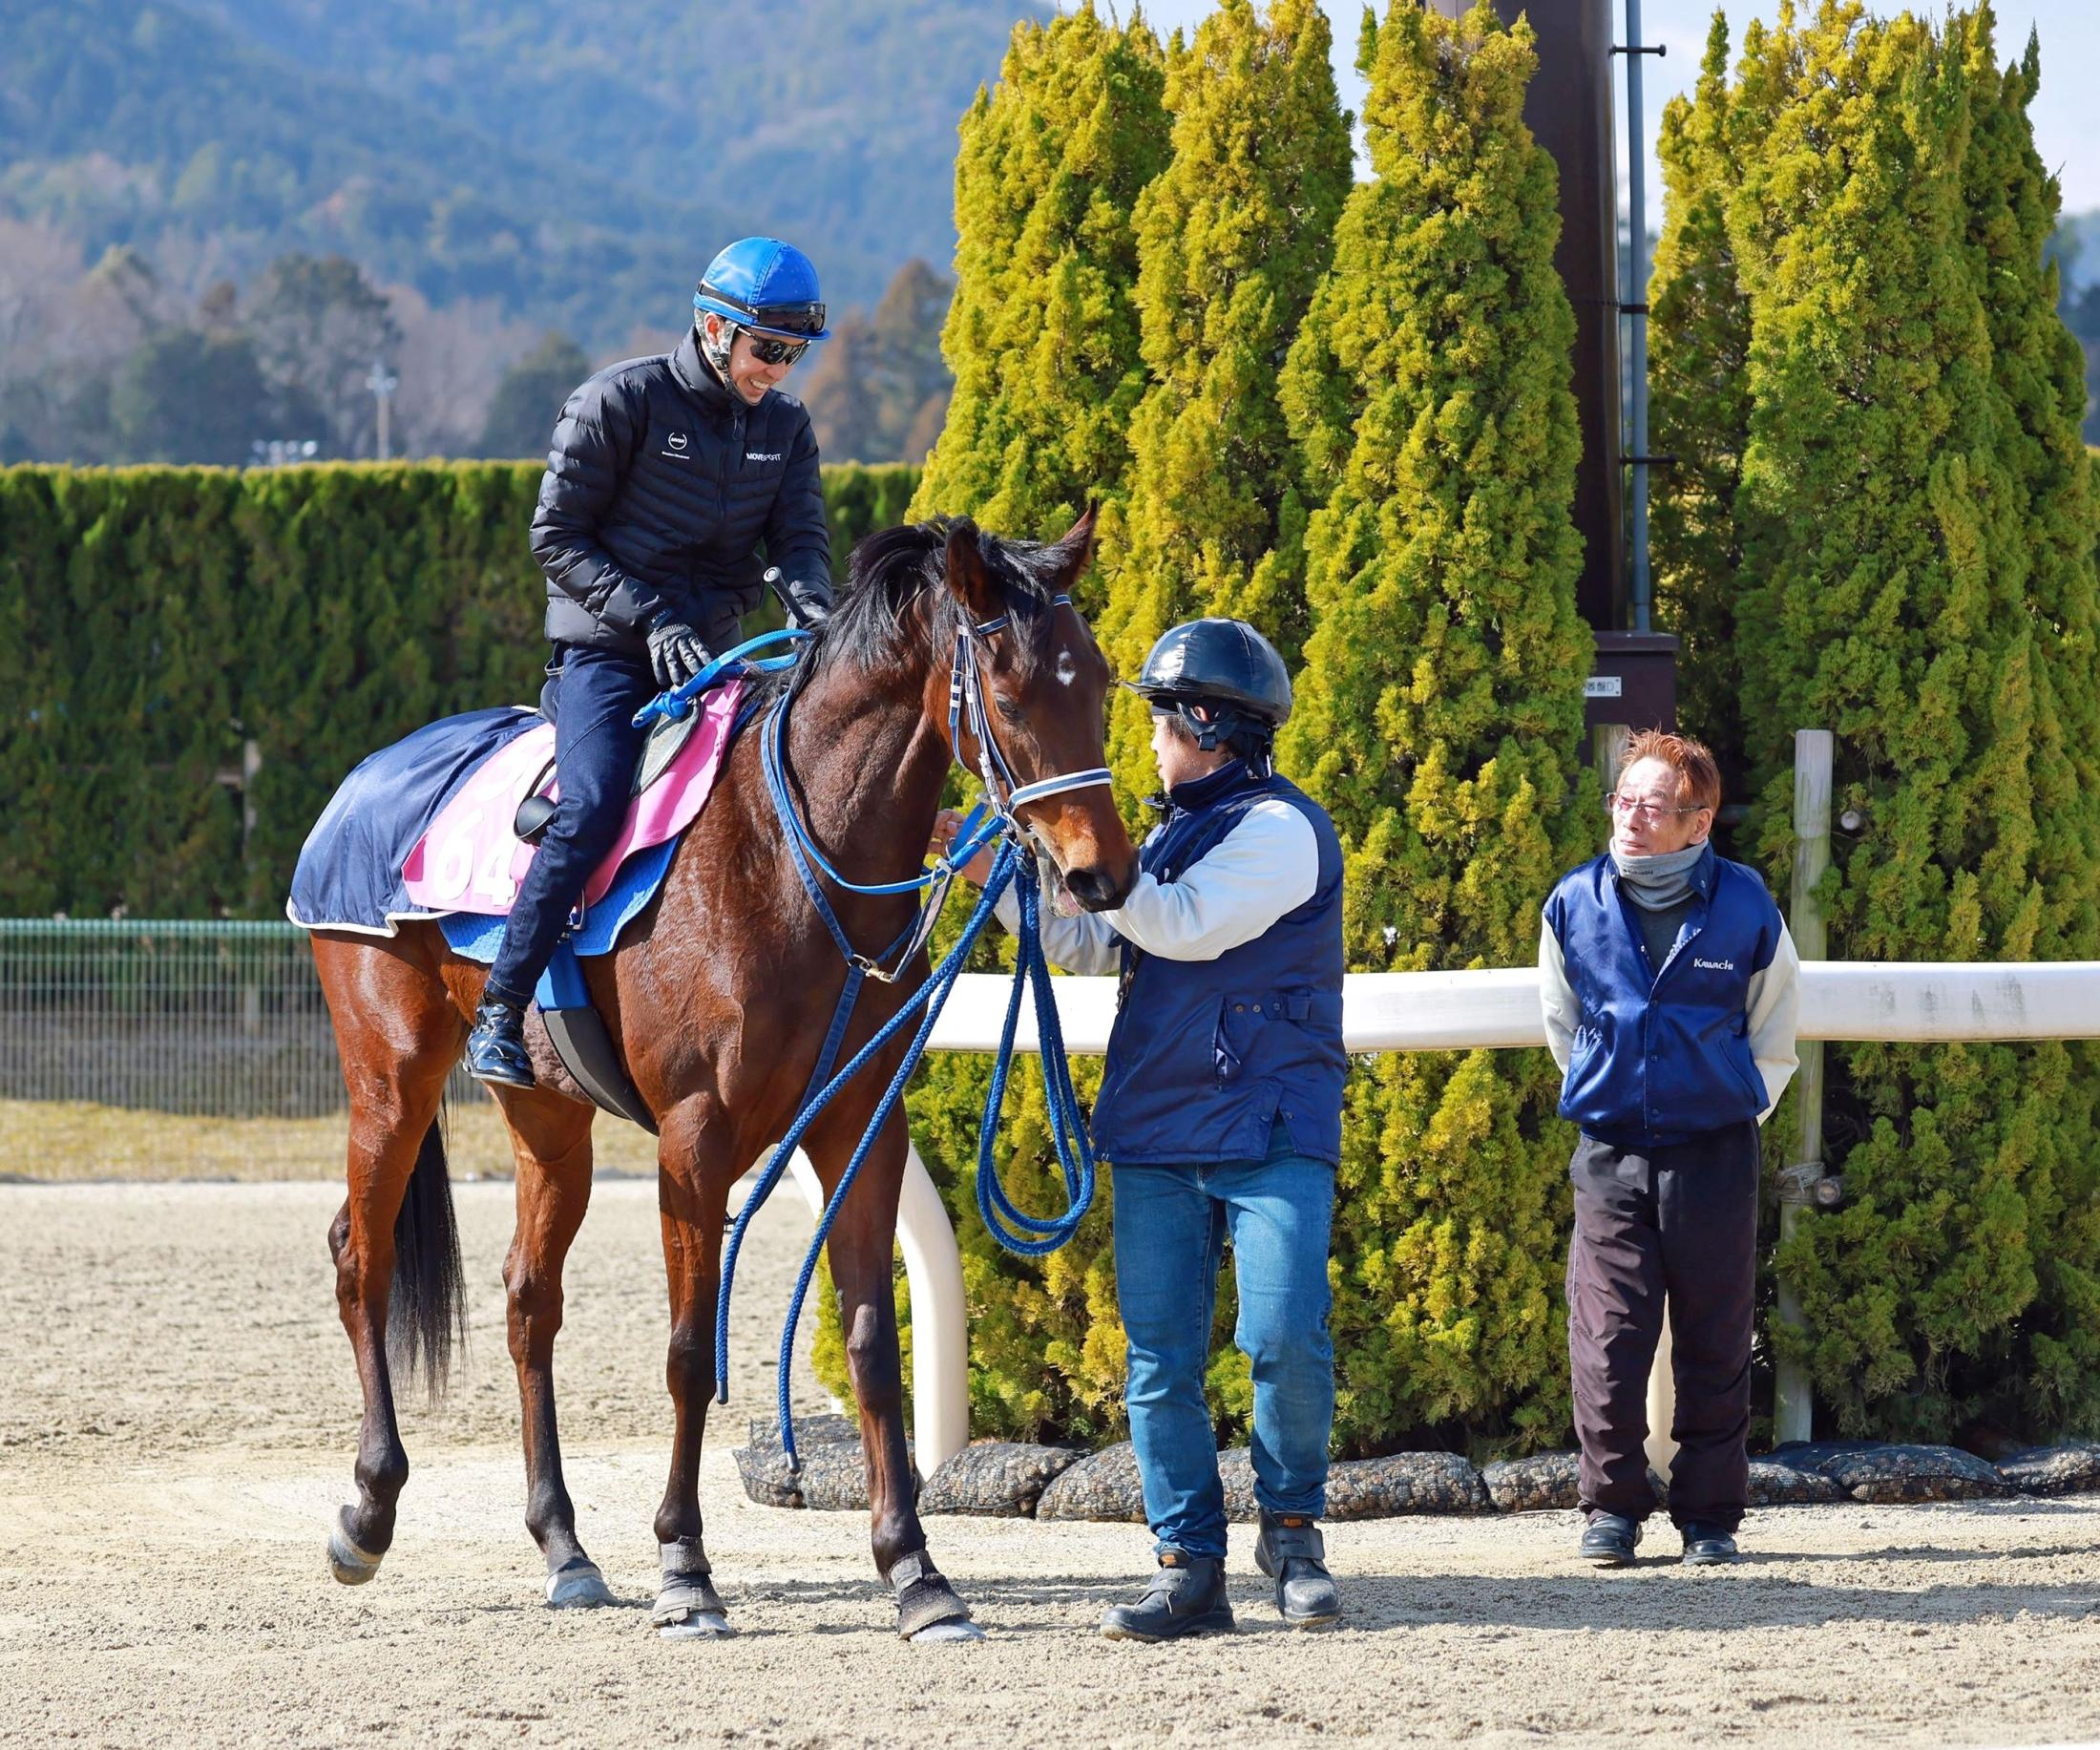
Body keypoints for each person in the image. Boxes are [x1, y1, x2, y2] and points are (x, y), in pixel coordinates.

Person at [936, 618, 1347, 1639]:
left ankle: (1291, 1533)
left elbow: (1174, 923)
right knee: (1159, 1361)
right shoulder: (1157, 836)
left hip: (1271, 1128)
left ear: (1208, 725)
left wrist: (1088, 853)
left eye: (1162, 723)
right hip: (1161, 1126)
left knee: (1282, 1337)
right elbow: (1084, 945)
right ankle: (1187, 1567)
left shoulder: (1283, 831)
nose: (1150, 744)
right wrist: (1011, 861)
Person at [465, 238, 836, 1086]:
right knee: (592, 807)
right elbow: (554, 537)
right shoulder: (618, 401)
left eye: (793, 354)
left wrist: (812, 601)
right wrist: (652, 617)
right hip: (607, 658)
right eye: (766, 349)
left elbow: (801, 542)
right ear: (713, 327)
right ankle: (499, 1008)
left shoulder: (786, 429)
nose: (778, 371)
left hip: (722, 655)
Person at [1538, 728, 1799, 1568]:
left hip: (1715, 1154)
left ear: (1699, 821)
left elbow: (1775, 1025)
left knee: (1715, 1339)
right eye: (1624, 800)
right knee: (1608, 1339)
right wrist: (1618, 1091)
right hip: (1611, 1151)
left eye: (1653, 805)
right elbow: (1561, 1021)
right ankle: (1610, 1509)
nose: (1632, 817)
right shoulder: (1573, 900)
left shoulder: (1747, 903)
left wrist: (1730, 1107)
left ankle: (1711, 1518)